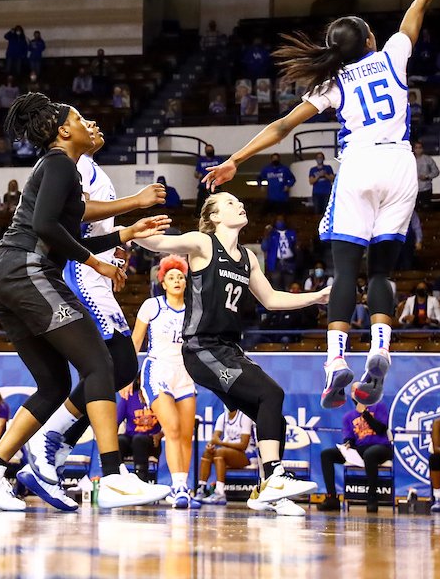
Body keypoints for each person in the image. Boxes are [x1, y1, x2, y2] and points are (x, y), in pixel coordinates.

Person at [202, 0, 440, 414]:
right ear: (369, 40)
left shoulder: (333, 80)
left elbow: (281, 127)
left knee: (346, 268)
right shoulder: (392, 56)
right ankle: (381, 348)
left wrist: (237, 158)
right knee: (382, 267)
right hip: (402, 164)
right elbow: (420, 4)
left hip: (360, 162)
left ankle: (336, 361)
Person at [0, 93, 171, 512]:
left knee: (54, 385)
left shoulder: (62, 171)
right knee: (99, 364)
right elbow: (44, 227)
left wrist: (125, 234)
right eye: (79, 116)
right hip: (27, 269)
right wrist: (94, 261)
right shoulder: (58, 163)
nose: (88, 122)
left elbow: (70, 227)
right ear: (62, 131)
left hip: (9, 273)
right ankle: (112, 478)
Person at [137, 192, 328, 514]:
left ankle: (268, 494)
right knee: (271, 392)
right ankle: (276, 478)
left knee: (272, 418)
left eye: (240, 201)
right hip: (201, 346)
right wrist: (132, 232)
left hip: (228, 348)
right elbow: (157, 245)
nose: (239, 204)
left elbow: (271, 299)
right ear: (214, 217)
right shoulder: (203, 243)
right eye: (229, 202)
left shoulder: (247, 258)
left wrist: (316, 297)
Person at [15, 115, 169, 511]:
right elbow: (79, 215)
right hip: (79, 271)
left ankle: (52, 451)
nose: (95, 124)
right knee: (111, 363)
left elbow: (88, 222)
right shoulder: (71, 160)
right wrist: (134, 205)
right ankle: (51, 441)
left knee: (122, 369)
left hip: (94, 268)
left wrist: (116, 246)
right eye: (84, 119)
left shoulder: (88, 164)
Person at [130, 256, 200, 507]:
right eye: (171, 277)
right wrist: (128, 374)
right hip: (157, 368)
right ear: (163, 283)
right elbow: (136, 341)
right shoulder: (152, 305)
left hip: (185, 372)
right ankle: (178, 486)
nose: (177, 280)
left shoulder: (195, 308)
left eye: (181, 276)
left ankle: (181, 488)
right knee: (171, 427)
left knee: (185, 433)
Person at [316, 401, 393, 513]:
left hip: (382, 447)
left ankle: (372, 498)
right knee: (327, 454)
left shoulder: (379, 406)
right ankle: (332, 497)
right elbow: (350, 438)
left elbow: (380, 429)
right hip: (360, 449)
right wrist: (348, 443)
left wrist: (365, 413)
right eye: (354, 392)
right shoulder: (348, 416)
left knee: (370, 454)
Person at [196, 406, 256, 506]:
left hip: (248, 455)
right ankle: (201, 489)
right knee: (207, 453)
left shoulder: (244, 417)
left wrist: (221, 443)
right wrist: (210, 445)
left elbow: (243, 445)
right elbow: (215, 438)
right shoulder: (222, 417)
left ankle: (220, 493)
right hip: (231, 453)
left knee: (220, 452)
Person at [115, 377, 162, 483]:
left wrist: (159, 435)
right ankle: (116, 477)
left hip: (151, 442)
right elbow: (116, 421)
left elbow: (169, 424)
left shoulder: (159, 399)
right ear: (138, 381)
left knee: (139, 440)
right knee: (120, 440)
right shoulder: (129, 398)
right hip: (130, 440)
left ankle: (141, 478)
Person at [262, 215, 297, 290]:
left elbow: (296, 246)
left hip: (289, 262)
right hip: (275, 263)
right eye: (278, 220)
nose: (280, 222)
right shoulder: (271, 234)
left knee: (289, 286)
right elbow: (264, 248)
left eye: (281, 220)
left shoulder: (291, 233)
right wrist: (266, 235)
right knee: (275, 287)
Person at [194, 144, 221, 215]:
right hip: (203, 186)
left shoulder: (218, 160)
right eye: (208, 150)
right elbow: (196, 173)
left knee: (216, 204)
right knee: (201, 205)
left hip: (215, 185)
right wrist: (198, 175)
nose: (209, 151)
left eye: (211, 150)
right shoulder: (201, 160)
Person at [414, 142, 439, 207]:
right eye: (416, 148)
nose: (418, 150)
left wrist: (427, 177)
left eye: (420, 148)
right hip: (414, 189)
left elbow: (436, 171)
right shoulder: (410, 159)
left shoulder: (428, 159)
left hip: (426, 188)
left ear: (422, 148)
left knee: (426, 208)